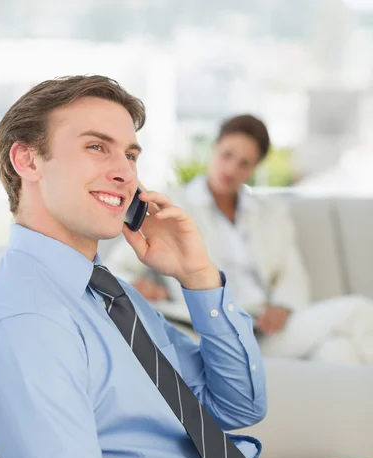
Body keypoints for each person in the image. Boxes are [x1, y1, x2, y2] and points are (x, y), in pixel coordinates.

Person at [0, 75, 372, 458]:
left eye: (131, 155)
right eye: (98, 147)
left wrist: (199, 276)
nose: (124, 172)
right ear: (26, 159)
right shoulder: (27, 321)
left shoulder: (105, 293)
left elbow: (238, 406)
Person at [107, 115, 373, 365]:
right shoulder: (173, 204)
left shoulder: (272, 213)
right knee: (358, 310)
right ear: (215, 149)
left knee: (341, 353)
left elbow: (292, 275)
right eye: (227, 155)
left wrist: (283, 306)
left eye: (244, 163)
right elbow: (115, 267)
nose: (231, 168)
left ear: (254, 168)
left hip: (265, 331)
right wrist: (136, 284)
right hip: (207, 329)